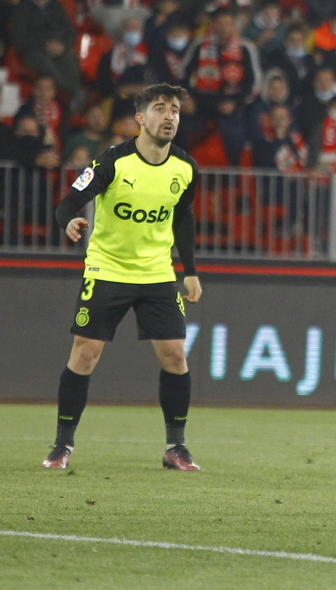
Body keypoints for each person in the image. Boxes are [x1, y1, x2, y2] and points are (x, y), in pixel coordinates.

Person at [43, 83, 203, 472]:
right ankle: (62, 446)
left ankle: (175, 447)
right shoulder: (112, 162)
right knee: (84, 355)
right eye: (161, 108)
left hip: (157, 273)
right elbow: (67, 204)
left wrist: (191, 271)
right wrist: (70, 223)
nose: (169, 117)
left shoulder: (185, 167)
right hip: (108, 269)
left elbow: (183, 217)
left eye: (175, 110)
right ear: (140, 118)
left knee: (175, 355)